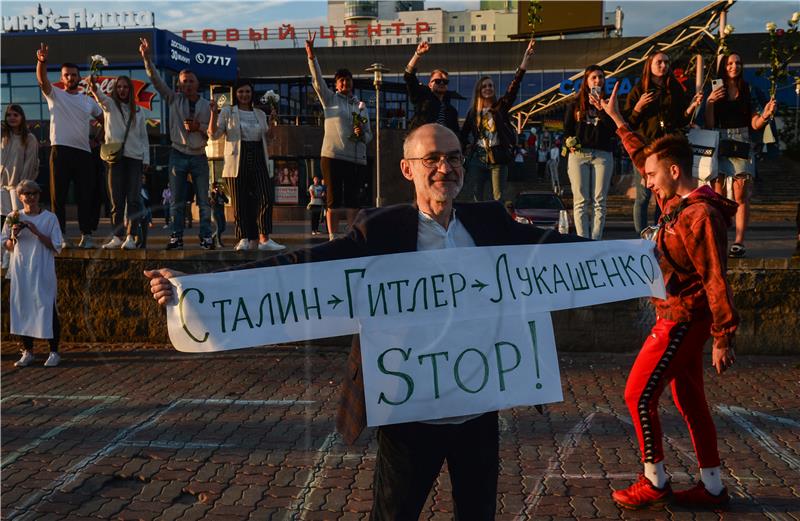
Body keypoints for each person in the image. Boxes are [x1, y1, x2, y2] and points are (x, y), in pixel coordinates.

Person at [145, 123, 581, 520]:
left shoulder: (489, 222)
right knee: (394, 514)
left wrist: (641, 257)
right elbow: (304, 264)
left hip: (478, 410)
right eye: (432, 158)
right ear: (408, 169)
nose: (444, 167)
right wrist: (202, 288)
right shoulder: (382, 229)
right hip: (410, 414)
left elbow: (564, 250)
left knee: (478, 513)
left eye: (452, 157)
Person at [602, 84, 738, 509]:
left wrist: (723, 335)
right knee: (688, 397)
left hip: (681, 317)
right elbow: (646, 157)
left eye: (653, 178)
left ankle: (654, 479)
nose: (648, 183)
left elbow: (715, 276)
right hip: (681, 313)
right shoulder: (676, 203)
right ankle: (712, 487)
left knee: (637, 394)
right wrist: (620, 121)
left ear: (675, 172)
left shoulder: (696, 216)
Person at [139, 37, 213, 250]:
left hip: (199, 154)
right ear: (179, 84)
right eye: (184, 81)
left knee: (203, 200)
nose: (187, 84)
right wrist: (146, 58)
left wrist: (198, 127)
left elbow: (213, 133)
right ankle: (176, 237)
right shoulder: (173, 99)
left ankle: (206, 236)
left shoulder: (207, 105)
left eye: (191, 80)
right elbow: (155, 80)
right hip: (178, 153)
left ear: (197, 84)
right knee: (176, 200)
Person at [705, 52, 777, 258]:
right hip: (719, 139)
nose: (734, 66)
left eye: (737, 62)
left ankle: (738, 242)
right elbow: (709, 125)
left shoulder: (749, 89)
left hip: (742, 139)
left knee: (740, 195)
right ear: (724, 67)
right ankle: (719, 241)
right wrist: (710, 102)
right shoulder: (716, 88)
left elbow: (754, 123)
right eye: (729, 63)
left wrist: (765, 115)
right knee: (717, 196)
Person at [624, 51, 703, 234]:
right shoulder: (639, 90)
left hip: (667, 149)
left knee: (665, 194)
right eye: (659, 62)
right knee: (643, 196)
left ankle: (660, 232)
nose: (663, 66)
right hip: (646, 148)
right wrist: (638, 107)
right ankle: (641, 235)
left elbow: (682, 121)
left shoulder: (675, 88)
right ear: (649, 65)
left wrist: (691, 107)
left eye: (666, 62)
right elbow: (629, 123)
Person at [305, 32, 372, 241]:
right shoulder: (330, 100)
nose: (346, 84)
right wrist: (311, 56)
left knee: (353, 201)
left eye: (349, 81)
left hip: (356, 159)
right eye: (342, 81)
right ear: (336, 84)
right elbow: (317, 81)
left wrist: (362, 135)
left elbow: (369, 135)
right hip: (333, 156)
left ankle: (351, 235)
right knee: (333, 199)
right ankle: (333, 237)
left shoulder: (361, 107)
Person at [35, 43, 103, 248]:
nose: (70, 78)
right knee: (59, 197)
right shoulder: (54, 95)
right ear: (62, 78)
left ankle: (87, 235)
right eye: (66, 75)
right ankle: (60, 236)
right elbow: (41, 79)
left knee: (86, 196)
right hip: (60, 151)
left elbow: (105, 120)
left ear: (79, 77)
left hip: (83, 153)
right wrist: (41, 62)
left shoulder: (88, 101)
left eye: (73, 75)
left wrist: (97, 138)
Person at [208, 79, 285, 252]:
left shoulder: (259, 113)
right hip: (237, 159)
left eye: (247, 92)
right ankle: (244, 238)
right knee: (240, 201)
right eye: (241, 91)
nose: (244, 95)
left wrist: (273, 121)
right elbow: (214, 135)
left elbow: (269, 137)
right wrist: (213, 113)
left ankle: (264, 238)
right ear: (235, 94)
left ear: (252, 94)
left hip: (258, 155)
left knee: (266, 197)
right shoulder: (228, 111)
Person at [460, 40, 535, 202]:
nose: (488, 88)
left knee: (498, 197)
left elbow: (513, 87)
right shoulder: (473, 113)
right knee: (476, 196)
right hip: (477, 157)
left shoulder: (500, 107)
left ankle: (498, 226)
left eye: (491, 86)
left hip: (498, 156)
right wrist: (464, 149)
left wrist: (524, 62)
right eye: (485, 86)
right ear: (479, 90)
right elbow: (463, 134)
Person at [2, 180, 64, 367]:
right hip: (21, 269)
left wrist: (35, 231)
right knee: (22, 307)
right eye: (26, 193)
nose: (30, 197)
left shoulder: (49, 218)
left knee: (46, 306)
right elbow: (6, 244)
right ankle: (27, 350)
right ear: (20, 197)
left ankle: (53, 351)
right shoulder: (13, 217)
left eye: (34, 193)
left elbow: (56, 245)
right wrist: (14, 235)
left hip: (42, 268)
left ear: (39, 195)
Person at [88, 76, 150, 250]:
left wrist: (146, 159)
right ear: (116, 89)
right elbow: (99, 96)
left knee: (134, 199)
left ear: (130, 90)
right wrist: (93, 86)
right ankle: (117, 236)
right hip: (115, 158)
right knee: (116, 200)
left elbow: (144, 137)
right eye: (120, 87)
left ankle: (131, 236)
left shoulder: (138, 111)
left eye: (126, 87)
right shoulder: (109, 106)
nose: (122, 90)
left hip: (135, 158)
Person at [563, 66, 616, 239]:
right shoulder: (575, 103)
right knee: (581, 201)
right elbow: (567, 130)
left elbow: (613, 129)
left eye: (601, 77)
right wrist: (569, 143)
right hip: (579, 155)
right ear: (586, 81)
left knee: (599, 201)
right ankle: (582, 240)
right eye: (593, 77)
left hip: (602, 155)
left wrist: (602, 108)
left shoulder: (609, 102)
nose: (598, 80)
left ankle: (595, 240)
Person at [1, 104, 39, 269]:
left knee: (16, 222)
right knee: (4, 221)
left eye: (15, 115)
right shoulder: (3, 136)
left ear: (22, 117)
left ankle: (13, 256)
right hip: (2, 185)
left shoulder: (29, 138)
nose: (12, 118)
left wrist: (23, 186)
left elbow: (30, 163)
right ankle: (4, 255)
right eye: (9, 115)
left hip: (18, 186)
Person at [403, 41, 460, 135]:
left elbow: (456, 133)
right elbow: (409, 76)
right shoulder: (423, 96)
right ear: (430, 84)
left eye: (445, 82)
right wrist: (417, 54)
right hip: (421, 142)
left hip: (442, 145)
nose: (441, 83)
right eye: (437, 81)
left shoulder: (451, 110)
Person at [209, 182, 229, 248]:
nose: (218, 188)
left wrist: (222, 194)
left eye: (219, 186)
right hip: (215, 212)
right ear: (214, 187)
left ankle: (212, 238)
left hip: (222, 212)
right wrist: (217, 193)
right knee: (219, 227)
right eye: (216, 186)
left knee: (223, 228)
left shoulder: (221, 193)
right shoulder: (212, 193)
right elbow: (214, 200)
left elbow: (227, 201)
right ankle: (218, 243)